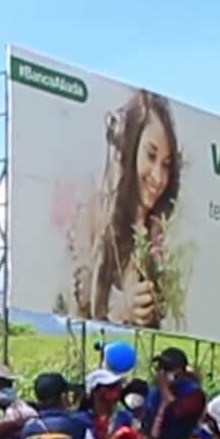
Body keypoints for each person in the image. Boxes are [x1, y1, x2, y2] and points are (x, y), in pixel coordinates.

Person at [72, 90, 181, 328]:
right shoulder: (96, 216)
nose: (157, 177)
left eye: (166, 165)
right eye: (150, 156)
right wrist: (123, 307)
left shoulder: (165, 233)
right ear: (132, 148)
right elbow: (77, 305)